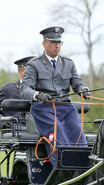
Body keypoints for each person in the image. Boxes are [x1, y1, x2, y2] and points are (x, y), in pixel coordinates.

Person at [20, 26, 90, 167]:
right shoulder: (34, 64)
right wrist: (37, 95)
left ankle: (82, 167)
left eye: (59, 43)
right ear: (44, 44)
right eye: (53, 42)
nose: (57, 46)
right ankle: (61, 167)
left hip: (66, 107)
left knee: (77, 132)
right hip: (43, 109)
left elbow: (77, 82)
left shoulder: (68, 64)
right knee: (57, 132)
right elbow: (25, 88)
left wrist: (82, 89)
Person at [0, 56, 34, 128]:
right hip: (13, 133)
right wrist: (0, 119)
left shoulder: (41, 91)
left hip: (39, 132)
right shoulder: (8, 89)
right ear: (20, 71)